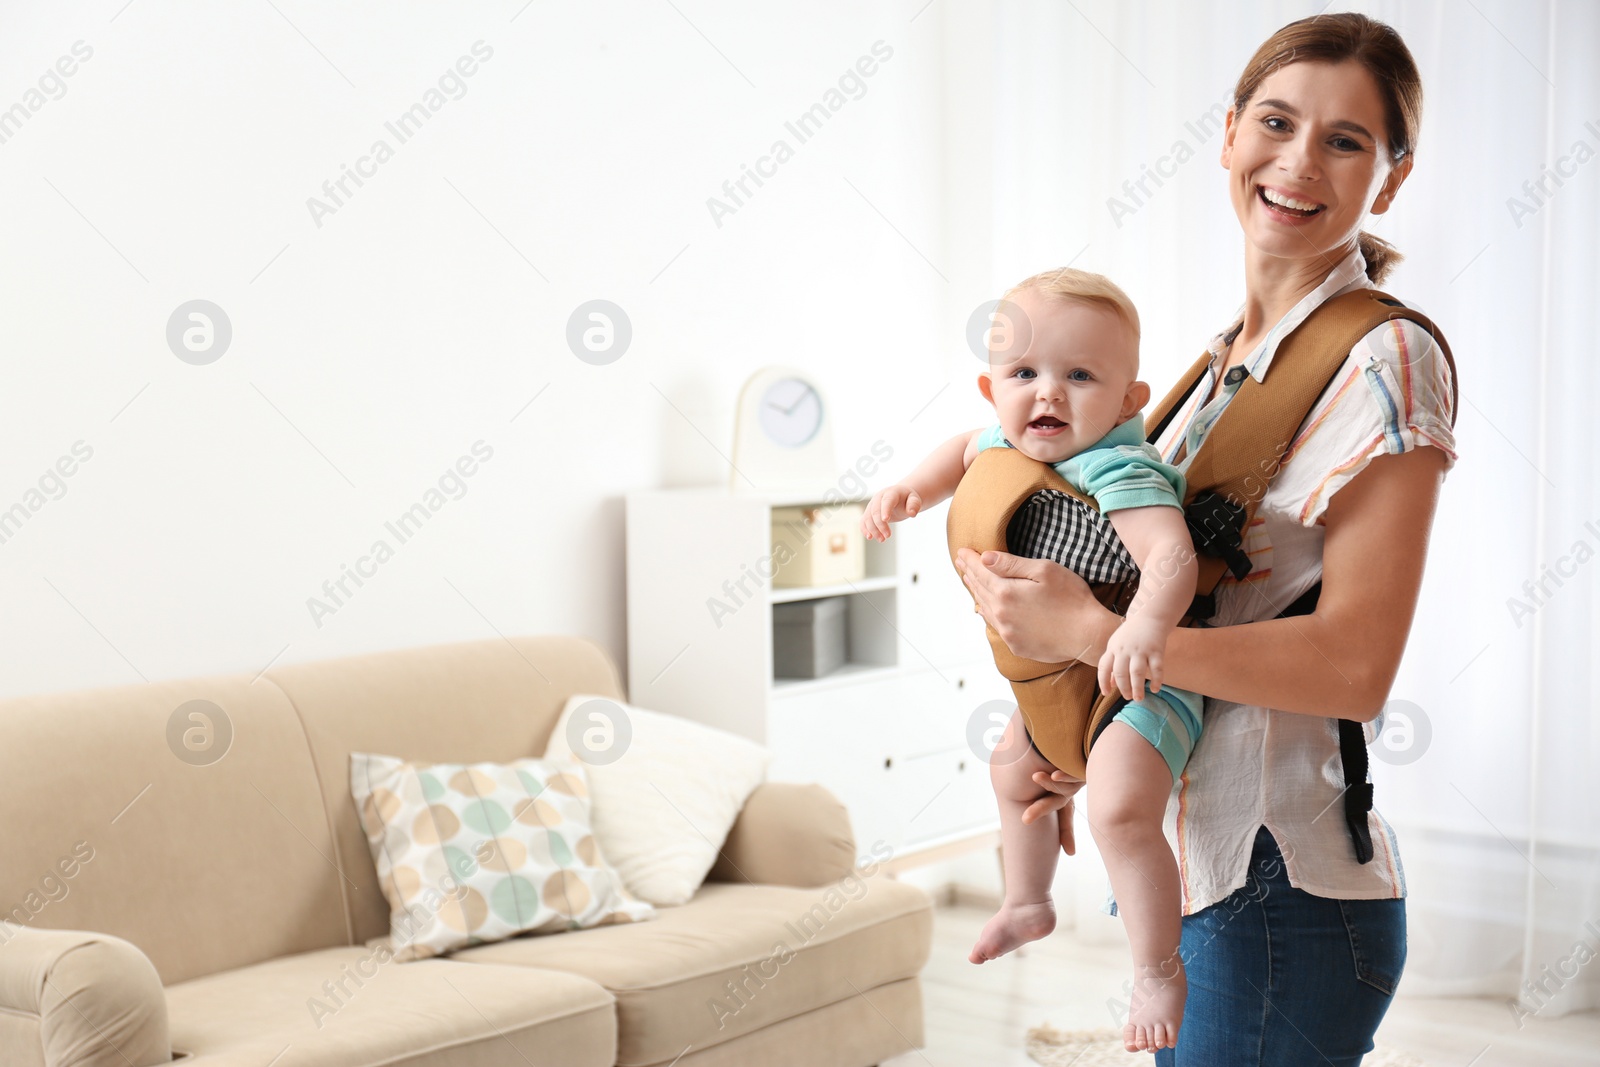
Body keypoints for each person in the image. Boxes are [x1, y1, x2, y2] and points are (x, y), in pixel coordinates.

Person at [955, 13, 1456, 1065]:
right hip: (1199, 862)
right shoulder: (1208, 369)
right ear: (1228, 135)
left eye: (1345, 140)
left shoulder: (1386, 358)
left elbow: (1356, 666)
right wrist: (1073, 727)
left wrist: (1095, 634)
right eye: (1274, 122)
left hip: (1277, 883)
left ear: (1392, 176)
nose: (1296, 161)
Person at [861, 267, 1201, 1052]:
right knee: (1012, 765)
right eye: (1024, 374)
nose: (1047, 393)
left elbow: (1173, 557)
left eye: (1080, 375)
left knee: (1118, 805)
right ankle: (1029, 897)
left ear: (1127, 399)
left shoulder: (1120, 468)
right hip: (1060, 681)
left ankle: (1156, 966)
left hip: (1139, 681)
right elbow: (958, 449)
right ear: (992, 387)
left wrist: (1143, 629)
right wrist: (911, 489)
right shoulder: (1002, 442)